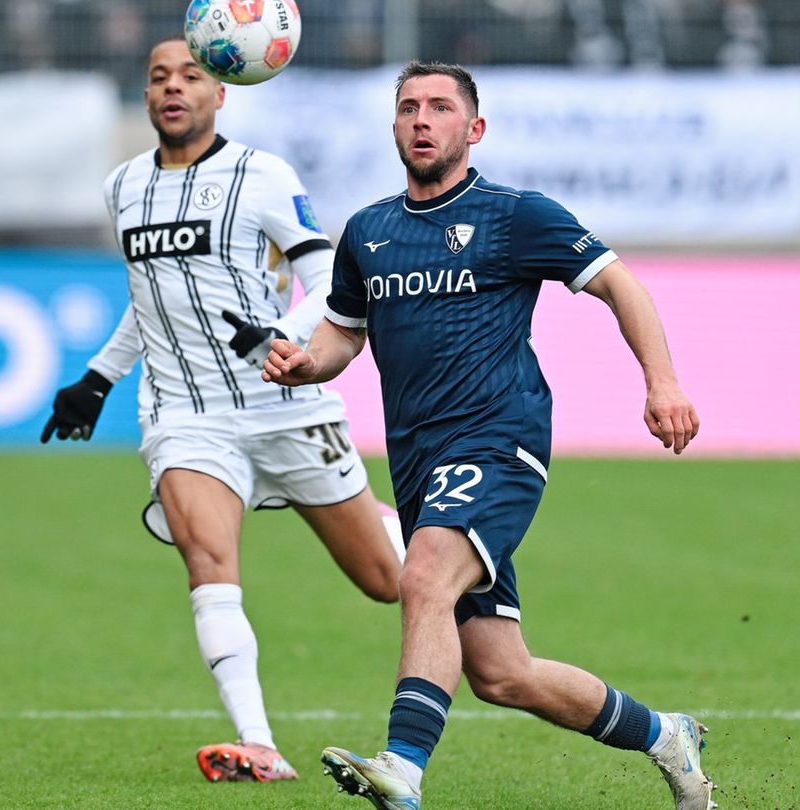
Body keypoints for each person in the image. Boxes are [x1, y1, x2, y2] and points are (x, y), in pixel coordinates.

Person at [261, 61, 714, 809]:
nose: (421, 119)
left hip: (499, 441)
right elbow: (345, 335)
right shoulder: (368, 233)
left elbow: (617, 283)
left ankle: (403, 768)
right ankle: (666, 734)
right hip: (419, 462)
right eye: (408, 107)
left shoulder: (514, 215)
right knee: (503, 673)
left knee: (424, 577)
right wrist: (309, 365)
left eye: (440, 107)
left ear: (473, 129)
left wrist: (661, 381)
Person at [39, 37, 405, 785]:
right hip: (185, 415)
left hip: (285, 403)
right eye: (158, 78)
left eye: (191, 76)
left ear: (221, 92)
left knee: (387, 581)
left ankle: (424, 536)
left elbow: (329, 283)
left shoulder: (260, 174)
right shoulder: (124, 187)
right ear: (146, 98)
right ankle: (261, 745)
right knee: (207, 563)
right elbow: (152, 302)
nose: (173, 88)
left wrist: (284, 337)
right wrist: (98, 379)